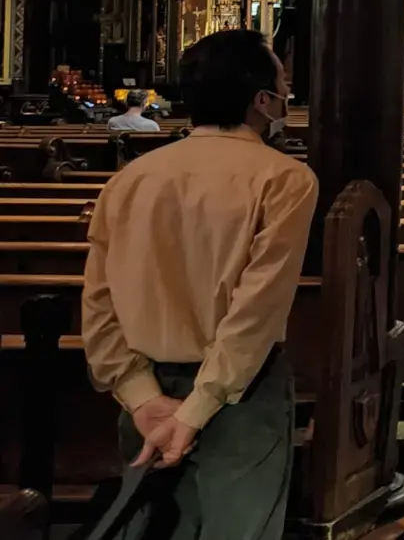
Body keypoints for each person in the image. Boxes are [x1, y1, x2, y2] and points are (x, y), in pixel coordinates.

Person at [82, 30, 316, 538]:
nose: (286, 97)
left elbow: (100, 304)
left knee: (153, 529)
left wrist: (142, 397)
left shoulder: (130, 179)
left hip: (143, 396)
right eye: (282, 87)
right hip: (239, 397)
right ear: (262, 100)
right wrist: (194, 411)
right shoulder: (284, 179)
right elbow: (256, 311)